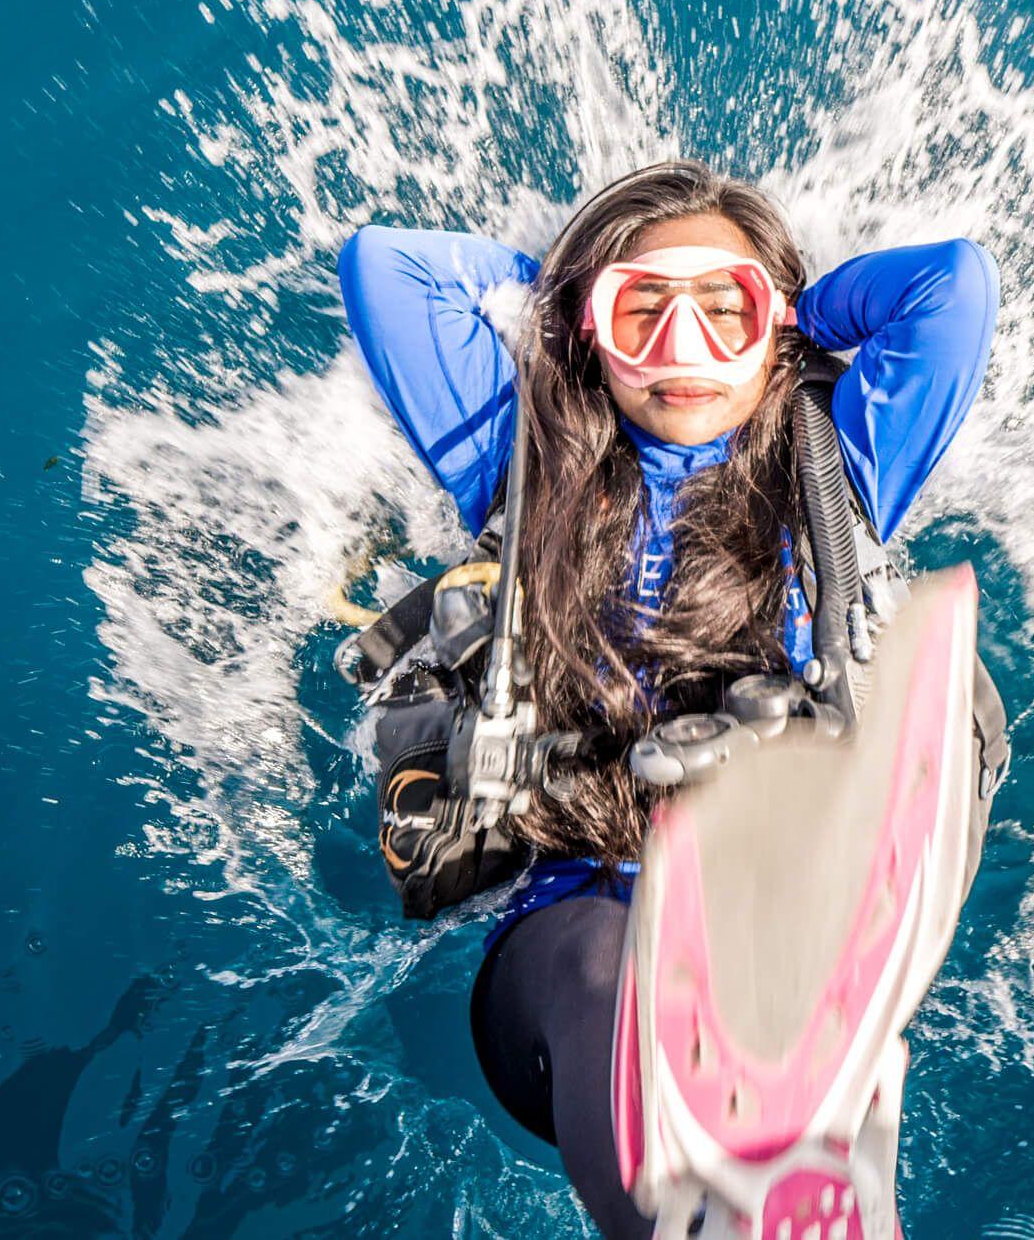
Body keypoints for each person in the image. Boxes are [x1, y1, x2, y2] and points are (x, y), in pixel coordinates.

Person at [335, 160, 998, 1236]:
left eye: (723, 314)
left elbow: (954, 289)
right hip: (568, 941)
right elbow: (387, 269)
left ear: (770, 331)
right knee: (616, 963)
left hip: (772, 908)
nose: (683, 351)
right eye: (642, 314)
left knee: (757, 949)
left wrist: (799, 314)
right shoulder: (523, 463)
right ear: (591, 332)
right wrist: (571, 299)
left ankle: (801, 1154)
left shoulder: (841, 468)